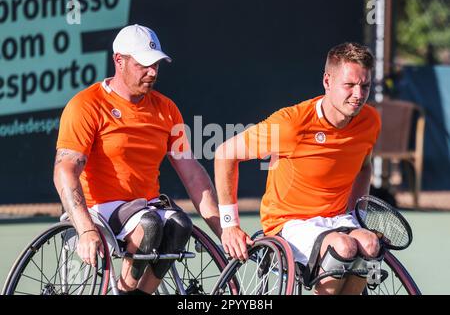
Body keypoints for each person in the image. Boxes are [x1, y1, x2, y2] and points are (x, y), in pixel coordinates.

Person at [53, 24, 221, 295]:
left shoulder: (166, 108)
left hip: (145, 206)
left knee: (180, 224)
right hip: (98, 211)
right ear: (119, 60)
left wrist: (223, 229)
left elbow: (191, 172)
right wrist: (85, 229)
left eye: (156, 64)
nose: (152, 72)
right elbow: (65, 169)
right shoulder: (86, 105)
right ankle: (125, 291)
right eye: (144, 64)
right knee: (150, 225)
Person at [214, 42, 382, 295]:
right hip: (289, 223)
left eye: (365, 86)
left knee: (370, 244)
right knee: (344, 248)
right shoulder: (290, 125)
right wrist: (230, 225)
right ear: (327, 81)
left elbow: (364, 167)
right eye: (349, 85)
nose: (358, 94)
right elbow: (225, 154)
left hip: (337, 219)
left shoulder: (370, 121)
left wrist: (359, 217)